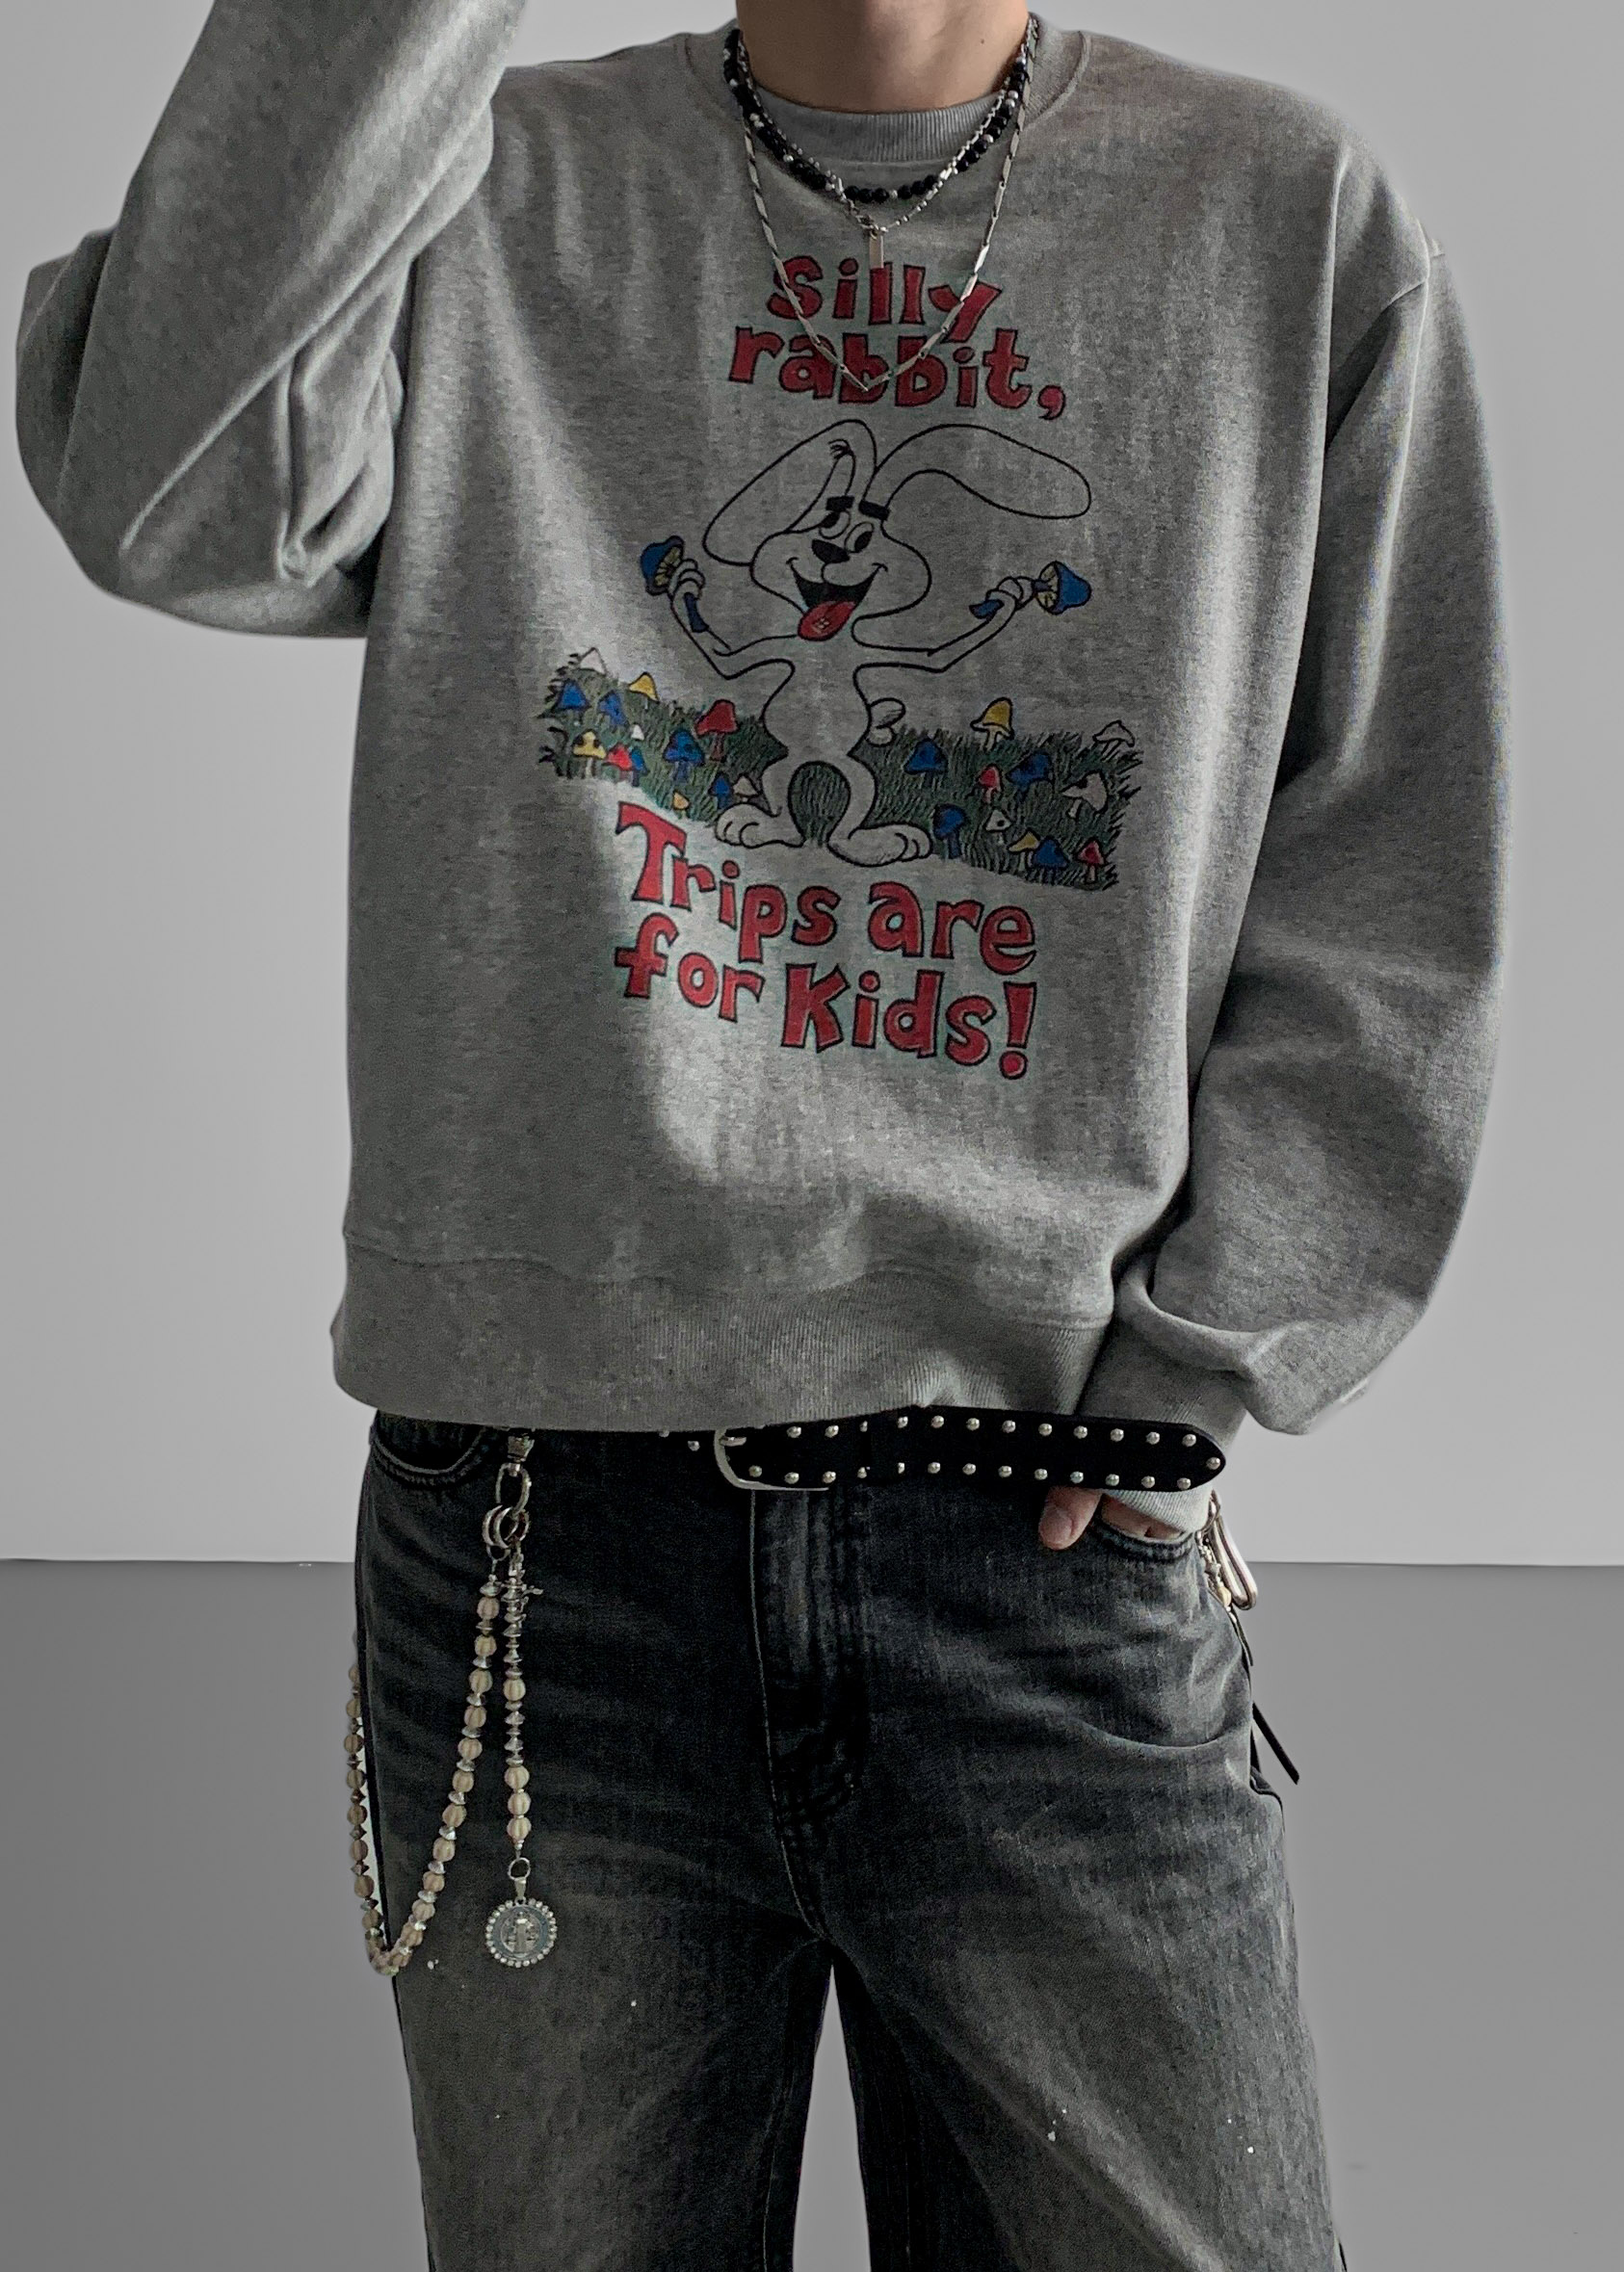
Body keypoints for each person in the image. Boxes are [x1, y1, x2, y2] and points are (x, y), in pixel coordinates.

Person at [15, 3, 1506, 2265]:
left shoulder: (1282, 218)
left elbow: (1391, 854)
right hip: (548, 1550)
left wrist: (1216, 1354)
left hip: (1046, 1533)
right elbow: (162, 481)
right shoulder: (482, 183)